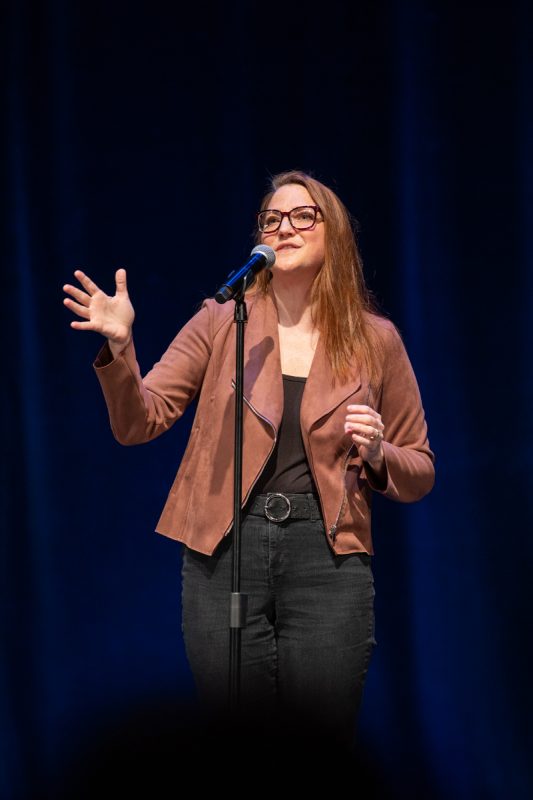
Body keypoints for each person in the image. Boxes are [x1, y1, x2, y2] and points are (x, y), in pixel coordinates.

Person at [63, 170, 435, 750]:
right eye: (271, 219)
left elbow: (421, 469)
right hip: (225, 548)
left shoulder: (373, 339)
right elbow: (141, 420)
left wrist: (378, 453)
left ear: (332, 234)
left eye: (302, 216)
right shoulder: (221, 320)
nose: (284, 227)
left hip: (326, 560)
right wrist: (120, 347)